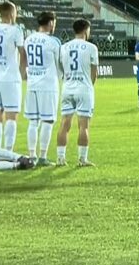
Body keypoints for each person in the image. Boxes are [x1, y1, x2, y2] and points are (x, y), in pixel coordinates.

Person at [57, 18, 98, 167]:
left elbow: (61, 67)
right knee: (83, 126)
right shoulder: (91, 47)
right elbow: (94, 73)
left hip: (67, 88)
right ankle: (82, 159)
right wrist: (89, 86)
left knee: (64, 124)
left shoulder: (64, 47)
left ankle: (60, 158)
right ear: (86, 30)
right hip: (84, 89)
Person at [24, 12, 61, 166]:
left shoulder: (28, 39)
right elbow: (59, 64)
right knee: (48, 120)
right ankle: (43, 157)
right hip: (48, 84)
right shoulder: (53, 41)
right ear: (51, 23)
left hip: (32, 83)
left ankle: (31, 155)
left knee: (33, 121)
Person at [0, 1, 26, 151]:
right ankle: (8, 150)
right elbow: (23, 53)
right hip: (10, 77)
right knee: (11, 115)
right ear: (11, 13)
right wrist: (22, 73)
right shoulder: (16, 30)